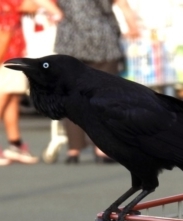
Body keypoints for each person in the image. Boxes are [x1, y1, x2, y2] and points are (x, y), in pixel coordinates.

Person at [54, 0, 139, 164]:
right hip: (102, 39)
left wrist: (57, 12)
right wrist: (133, 28)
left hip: (69, 39)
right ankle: (101, 148)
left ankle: (74, 149)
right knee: (102, 98)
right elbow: (123, 5)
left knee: (70, 96)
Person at [0, 0, 63, 165]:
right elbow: (5, 32)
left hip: (12, 56)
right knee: (2, 101)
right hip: (5, 57)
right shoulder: (7, 4)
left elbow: (34, 5)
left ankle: (16, 144)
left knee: (12, 100)